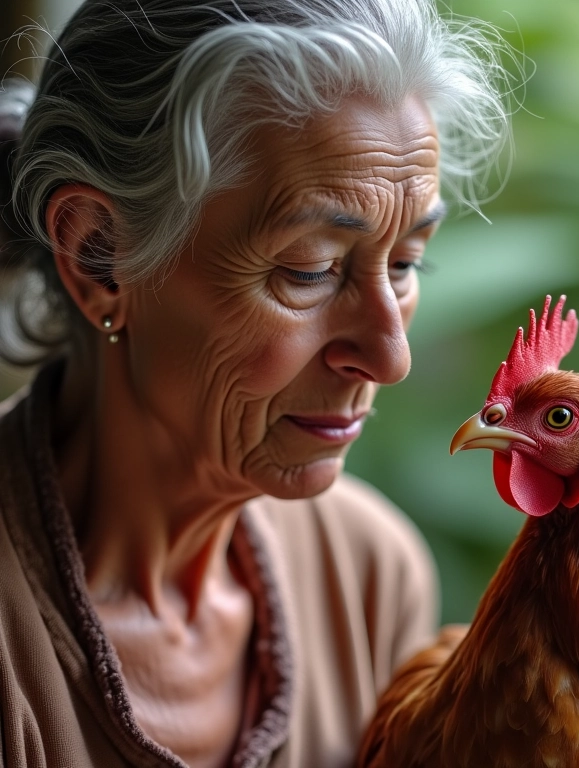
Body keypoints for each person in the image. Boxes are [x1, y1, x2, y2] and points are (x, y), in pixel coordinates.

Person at [0, 1, 512, 766]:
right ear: (100, 257)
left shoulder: (368, 576)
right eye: (309, 270)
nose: (390, 357)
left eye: (406, 263)